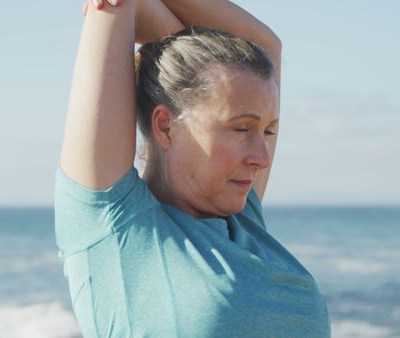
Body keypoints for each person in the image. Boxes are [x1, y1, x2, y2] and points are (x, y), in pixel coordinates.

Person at [55, 0, 330, 336]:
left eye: (269, 131)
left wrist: (163, 27)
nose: (263, 156)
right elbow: (114, 7)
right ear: (167, 127)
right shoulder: (114, 226)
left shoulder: (244, 221)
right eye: (241, 129)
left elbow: (266, 48)